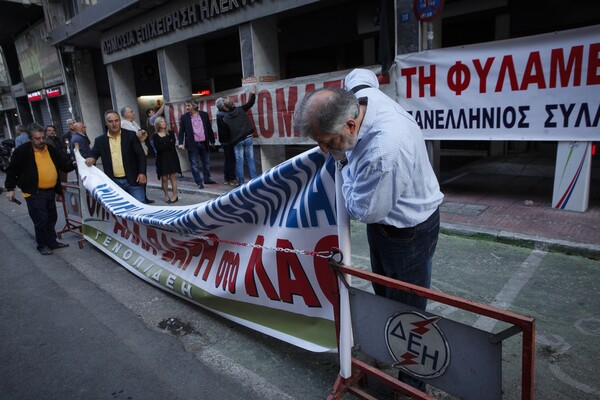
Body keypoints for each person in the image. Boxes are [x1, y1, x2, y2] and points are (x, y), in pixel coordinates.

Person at [293, 68, 444, 392]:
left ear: (350, 124)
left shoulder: (384, 150)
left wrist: (344, 164)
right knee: (385, 295)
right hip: (390, 225)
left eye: (328, 142)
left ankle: (412, 386)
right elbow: (361, 75)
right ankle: (389, 351)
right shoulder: (359, 97)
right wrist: (338, 151)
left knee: (407, 311)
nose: (325, 151)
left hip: (407, 231)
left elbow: (365, 210)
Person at [4, 123, 75, 255]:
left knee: (52, 217)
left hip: (50, 190)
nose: (41, 141)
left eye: (42, 137)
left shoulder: (50, 149)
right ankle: (42, 245)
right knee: (41, 220)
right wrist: (10, 188)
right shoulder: (22, 151)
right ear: (30, 139)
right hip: (34, 192)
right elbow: (12, 170)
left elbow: (63, 164)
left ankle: (52, 242)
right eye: (37, 138)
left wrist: (74, 163)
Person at [85, 110, 148, 204]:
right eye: (110, 122)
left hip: (133, 179)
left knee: (140, 207)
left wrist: (142, 173)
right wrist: (91, 157)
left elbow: (140, 155)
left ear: (120, 121)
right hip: (113, 182)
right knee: (121, 210)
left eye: (116, 120)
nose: (114, 124)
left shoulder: (130, 135)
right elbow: (94, 152)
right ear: (106, 123)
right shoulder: (100, 140)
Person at [216, 85, 257, 186]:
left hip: (237, 141)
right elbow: (250, 103)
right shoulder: (241, 109)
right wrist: (252, 92)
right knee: (250, 160)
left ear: (225, 107)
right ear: (233, 103)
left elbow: (226, 133)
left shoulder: (225, 118)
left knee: (239, 162)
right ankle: (254, 180)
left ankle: (242, 183)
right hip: (248, 138)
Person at [177, 99, 216, 189]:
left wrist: (212, 141)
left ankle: (207, 179)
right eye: (186, 106)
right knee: (194, 164)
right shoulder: (184, 117)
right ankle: (199, 182)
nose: (187, 108)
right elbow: (181, 132)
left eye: (188, 106)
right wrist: (180, 143)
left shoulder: (204, 115)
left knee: (207, 162)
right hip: (192, 144)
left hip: (204, 142)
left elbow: (209, 128)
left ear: (194, 106)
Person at [120, 106, 154, 203]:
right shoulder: (123, 125)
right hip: (133, 153)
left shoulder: (134, 123)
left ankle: (144, 196)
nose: (134, 113)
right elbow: (130, 139)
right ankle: (138, 197)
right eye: (131, 111)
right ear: (126, 114)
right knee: (138, 174)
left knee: (143, 172)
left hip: (141, 150)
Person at [151, 116, 181, 203]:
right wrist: (167, 144)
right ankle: (166, 195)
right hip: (161, 158)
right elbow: (158, 148)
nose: (164, 123)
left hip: (172, 157)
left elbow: (173, 143)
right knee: (164, 178)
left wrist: (164, 145)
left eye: (164, 121)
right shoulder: (155, 136)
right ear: (157, 124)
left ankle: (175, 195)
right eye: (161, 122)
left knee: (172, 177)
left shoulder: (170, 133)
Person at [215, 98, 237, 185]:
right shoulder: (224, 115)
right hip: (228, 140)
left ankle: (227, 178)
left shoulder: (219, 114)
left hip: (224, 140)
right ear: (223, 106)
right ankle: (232, 178)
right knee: (231, 159)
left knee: (228, 159)